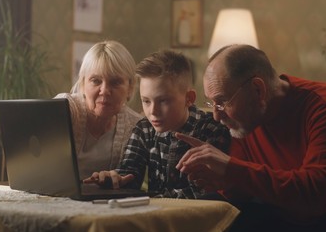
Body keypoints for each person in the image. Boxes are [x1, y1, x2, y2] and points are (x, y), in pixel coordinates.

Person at [175, 44, 326, 232]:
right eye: (212, 103)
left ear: (258, 90)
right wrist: (216, 179)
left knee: (242, 226)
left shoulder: (325, 106)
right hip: (284, 214)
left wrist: (231, 169)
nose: (215, 115)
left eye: (222, 102)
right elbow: (244, 189)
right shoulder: (243, 121)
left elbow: (315, 197)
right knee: (205, 213)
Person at [83, 49, 231, 198]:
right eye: (146, 101)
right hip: (155, 213)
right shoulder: (144, 128)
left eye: (163, 101)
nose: (153, 111)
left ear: (189, 98)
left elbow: (204, 192)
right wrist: (115, 180)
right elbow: (129, 173)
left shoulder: (212, 129)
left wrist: (151, 199)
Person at [55, 40, 142, 180]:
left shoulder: (135, 126)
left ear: (130, 88)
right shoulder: (66, 108)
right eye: (96, 81)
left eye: (115, 82)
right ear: (83, 83)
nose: (104, 91)